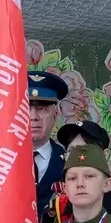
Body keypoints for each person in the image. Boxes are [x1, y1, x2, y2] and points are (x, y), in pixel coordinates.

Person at [29, 71, 69, 212]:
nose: (33, 117)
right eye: (26, 108)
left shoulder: (69, 163)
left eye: (42, 109)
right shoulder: (0, 161)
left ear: (55, 116)